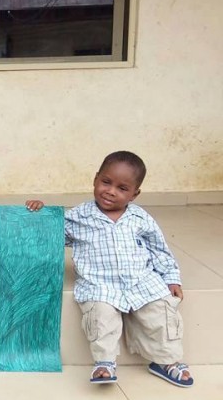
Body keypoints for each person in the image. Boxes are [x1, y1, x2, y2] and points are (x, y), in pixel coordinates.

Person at [27, 151, 193, 387]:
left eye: (122, 188)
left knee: (160, 313)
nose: (111, 191)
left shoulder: (140, 218)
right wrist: (40, 214)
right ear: (95, 179)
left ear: (135, 194)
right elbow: (52, 235)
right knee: (101, 316)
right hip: (99, 284)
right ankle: (104, 362)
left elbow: (159, 249)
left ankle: (167, 361)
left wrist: (171, 277)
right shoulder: (79, 216)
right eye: (106, 182)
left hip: (141, 281)